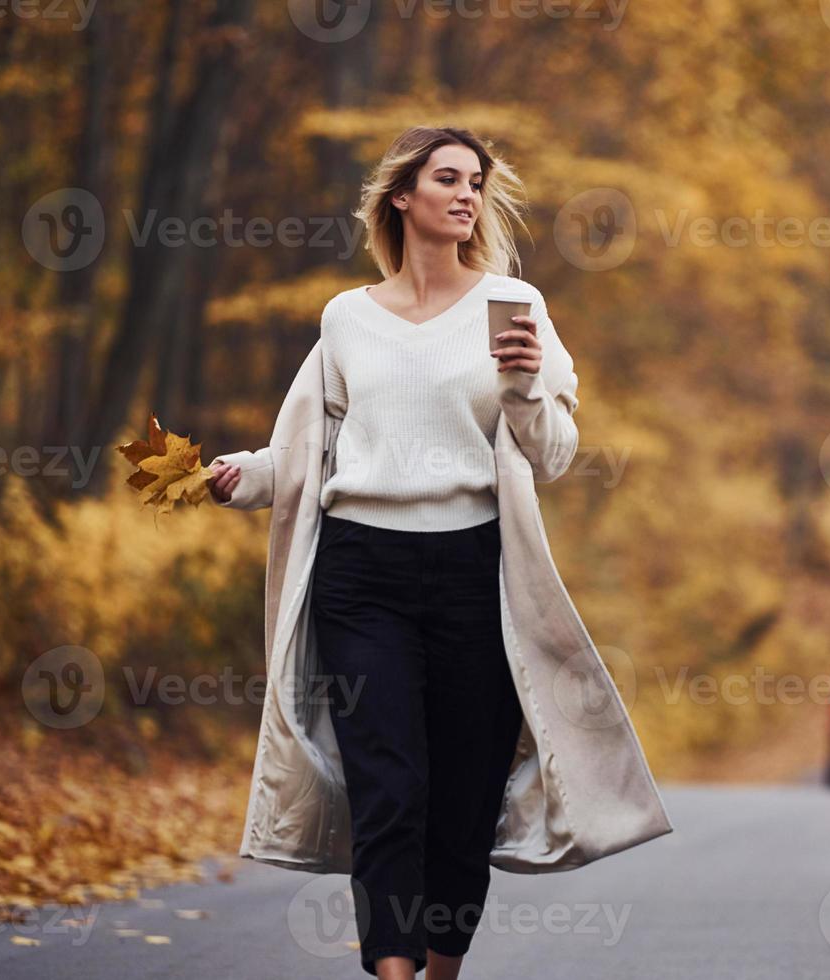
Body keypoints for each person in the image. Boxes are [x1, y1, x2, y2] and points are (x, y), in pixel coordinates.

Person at [210, 125, 563, 980]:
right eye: (448, 178)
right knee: (390, 788)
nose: (467, 194)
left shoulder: (514, 306)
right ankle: (394, 970)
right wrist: (239, 477)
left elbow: (551, 453)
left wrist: (522, 383)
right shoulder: (348, 318)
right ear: (402, 196)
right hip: (362, 574)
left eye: (476, 182)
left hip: (477, 574)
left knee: (464, 802)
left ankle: (439, 967)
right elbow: (308, 443)